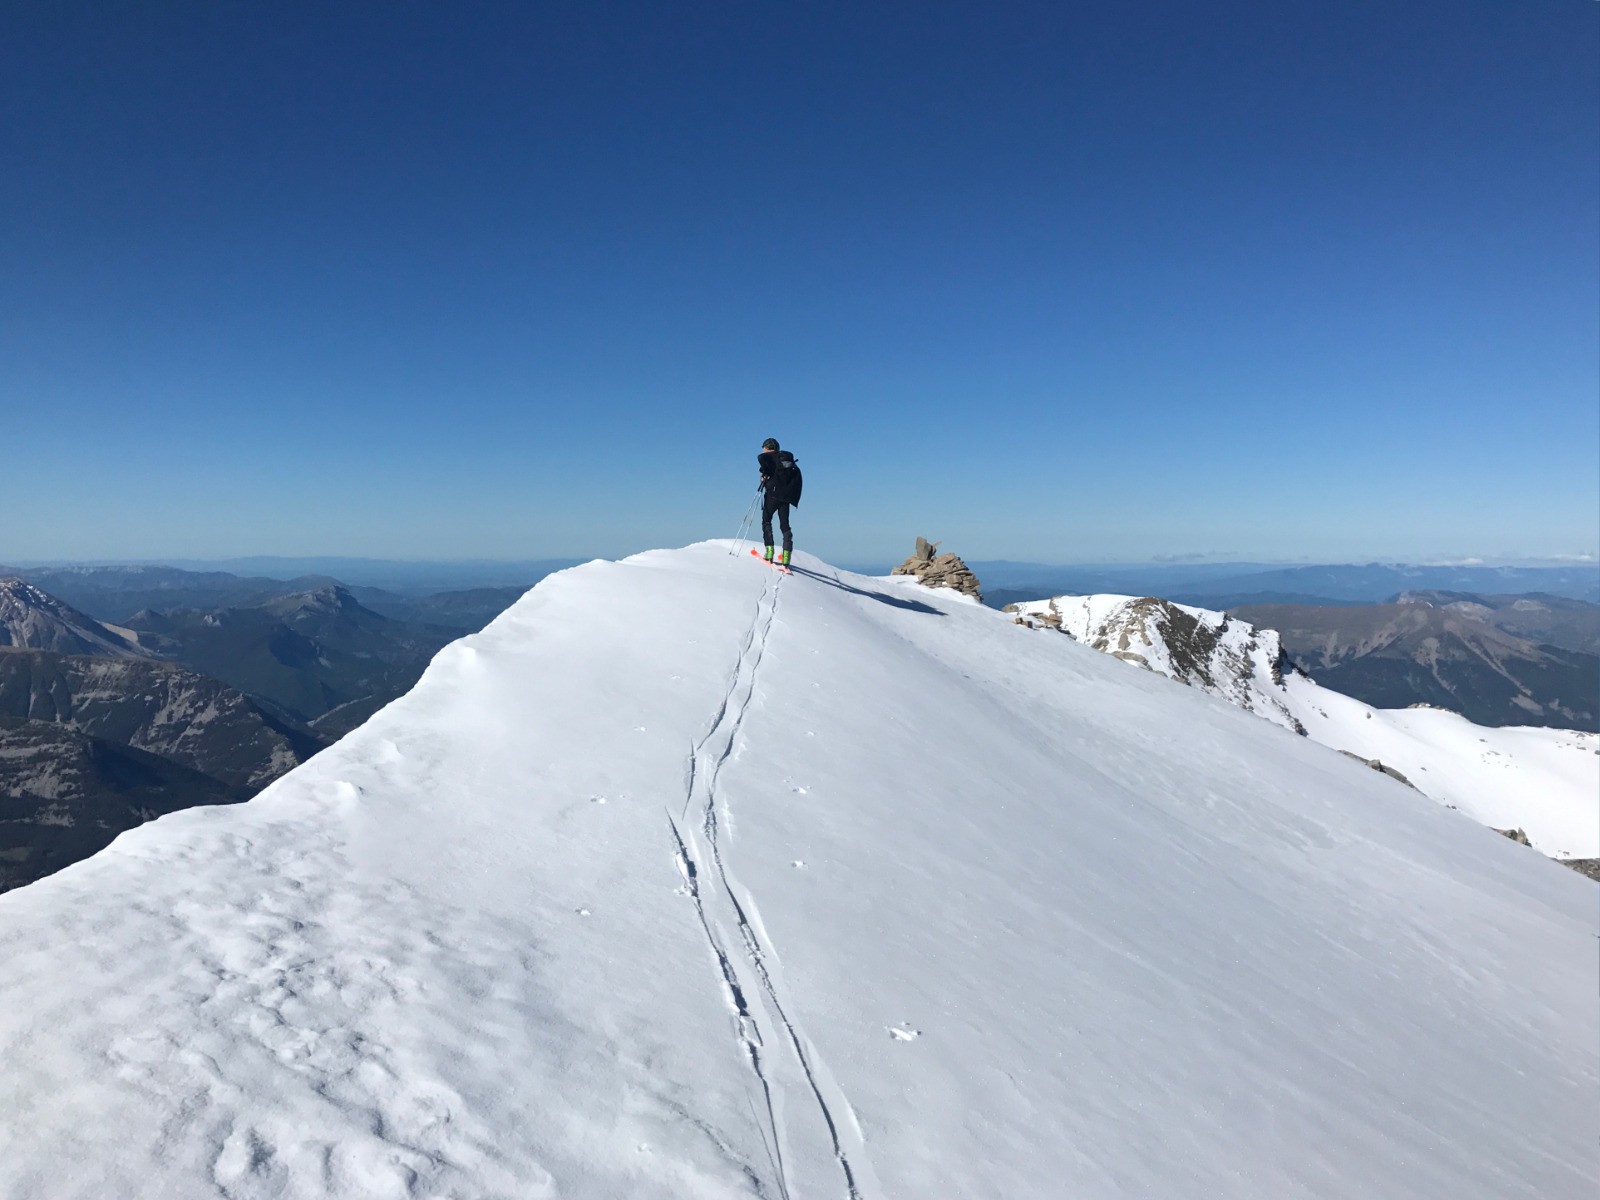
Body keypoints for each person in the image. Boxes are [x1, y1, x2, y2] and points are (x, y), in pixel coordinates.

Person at [756, 437, 801, 566]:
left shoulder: (770, 458)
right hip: (786, 497)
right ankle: (786, 557)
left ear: (768, 447)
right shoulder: (786, 461)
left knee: (766, 520)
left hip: (772, 496)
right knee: (785, 525)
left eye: (764, 448)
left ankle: (769, 552)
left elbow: (766, 474)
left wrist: (764, 479)